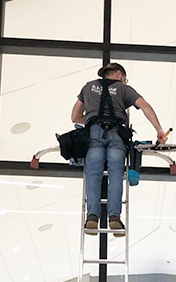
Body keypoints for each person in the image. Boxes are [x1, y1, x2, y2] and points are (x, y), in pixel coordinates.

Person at [71, 62, 166, 236]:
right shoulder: (124, 89)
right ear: (118, 74)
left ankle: (92, 217)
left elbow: (75, 117)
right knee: (115, 176)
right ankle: (114, 217)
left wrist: (92, 119)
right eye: (123, 77)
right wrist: (159, 130)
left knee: (93, 175)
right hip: (117, 135)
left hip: (93, 135)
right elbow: (145, 107)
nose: (124, 80)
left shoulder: (88, 87)